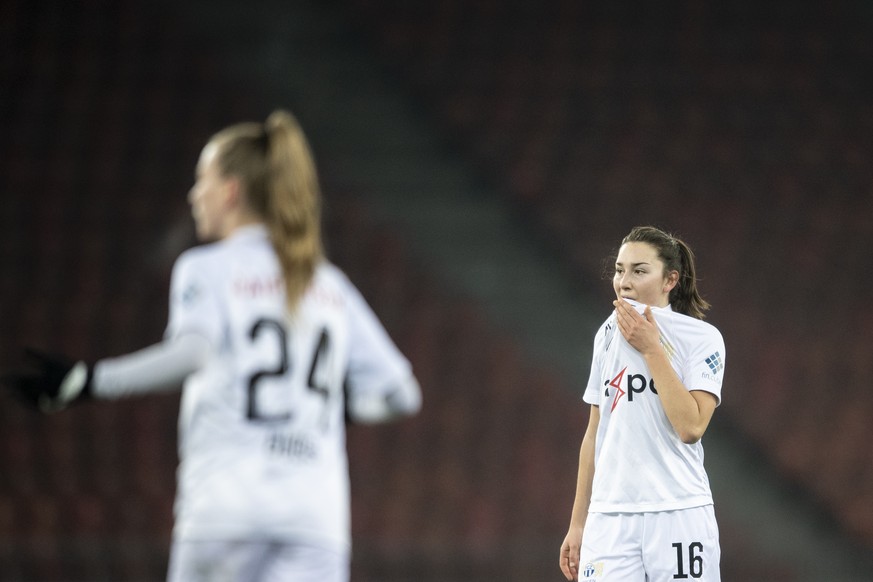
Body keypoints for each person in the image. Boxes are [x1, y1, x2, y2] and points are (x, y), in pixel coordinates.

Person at [3, 110, 422, 582]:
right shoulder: (328, 284)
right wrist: (342, 408)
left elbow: (192, 354)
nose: (193, 195)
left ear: (231, 191)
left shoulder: (208, 268)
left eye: (202, 180)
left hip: (226, 508)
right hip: (314, 517)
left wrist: (88, 381)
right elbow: (402, 394)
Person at [559, 226, 725, 582]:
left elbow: (691, 427)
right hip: (611, 517)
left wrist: (651, 348)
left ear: (670, 280)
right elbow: (594, 433)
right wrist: (578, 523)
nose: (624, 281)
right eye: (619, 270)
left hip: (678, 511)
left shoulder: (702, 339)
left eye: (639, 270)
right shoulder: (605, 335)